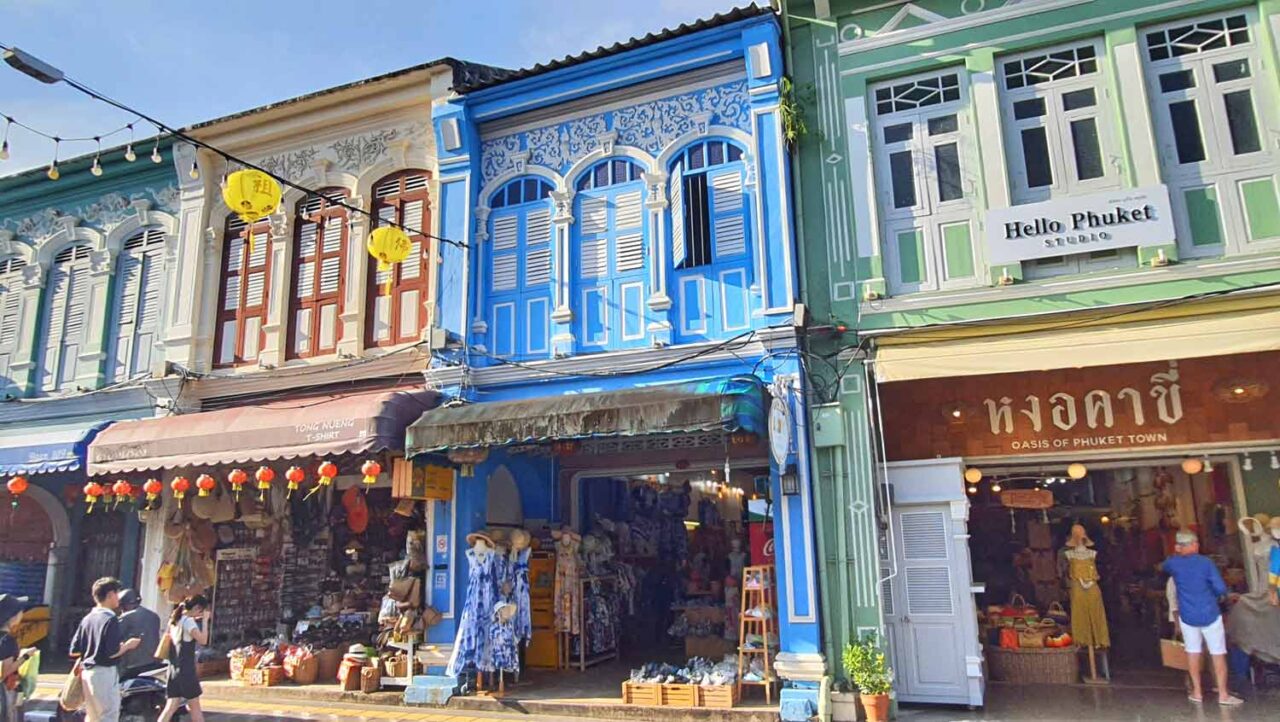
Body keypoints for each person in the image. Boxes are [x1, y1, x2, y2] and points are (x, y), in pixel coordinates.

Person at [1162, 531, 1242, 706]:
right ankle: (1223, 694)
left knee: (1192, 653)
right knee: (1218, 653)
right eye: (1195, 543)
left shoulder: (1174, 564)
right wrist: (1216, 595)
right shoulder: (1206, 563)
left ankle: (1197, 692)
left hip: (1187, 615)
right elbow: (1220, 588)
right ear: (1192, 545)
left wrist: (1177, 552)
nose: (1197, 545)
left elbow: (1164, 565)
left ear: (1179, 546)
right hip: (1209, 613)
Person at [69, 577, 143, 722]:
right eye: (117, 593)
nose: (118, 597)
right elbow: (112, 652)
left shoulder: (87, 619)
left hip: (87, 673)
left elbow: (74, 650)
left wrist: (92, 648)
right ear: (110, 595)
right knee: (108, 716)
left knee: (92, 717)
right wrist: (128, 645)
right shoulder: (110, 619)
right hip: (104, 673)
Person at [157, 595, 209, 722]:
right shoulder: (188, 622)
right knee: (194, 705)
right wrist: (205, 621)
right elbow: (203, 640)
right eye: (202, 611)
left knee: (171, 705)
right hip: (186, 670)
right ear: (197, 608)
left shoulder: (175, 620)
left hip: (174, 668)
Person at [0, 595, 37, 722]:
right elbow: (4, 672)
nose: (22, 614)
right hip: (4, 690)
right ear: (13, 616)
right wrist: (25, 656)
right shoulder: (7, 640)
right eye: (20, 611)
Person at [116, 589, 160, 678]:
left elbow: (113, 639)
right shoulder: (154, 616)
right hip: (153, 664)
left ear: (124, 605)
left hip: (131, 667)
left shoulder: (126, 618)